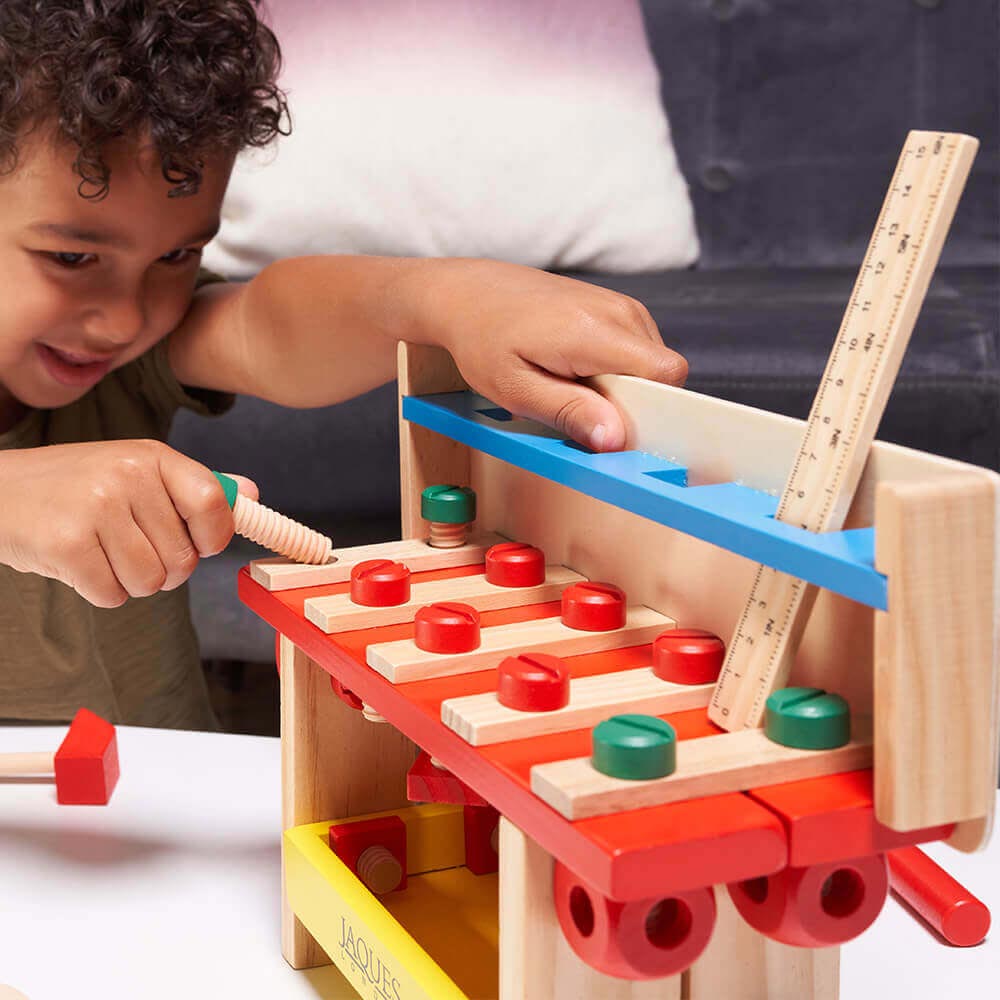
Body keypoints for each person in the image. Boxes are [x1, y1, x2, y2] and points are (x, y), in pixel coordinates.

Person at [0, 0, 688, 729]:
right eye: (71, 258)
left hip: (162, 806)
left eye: (176, 256)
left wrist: (440, 297)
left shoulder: (117, 360)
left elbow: (268, 327)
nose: (126, 318)